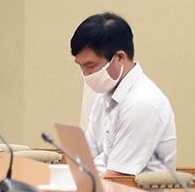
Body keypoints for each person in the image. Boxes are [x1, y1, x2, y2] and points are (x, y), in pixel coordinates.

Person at [71, 12, 176, 176]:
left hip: (131, 191)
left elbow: (118, 177)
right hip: (103, 185)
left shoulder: (142, 103)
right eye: (80, 66)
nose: (86, 74)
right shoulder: (104, 97)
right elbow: (86, 158)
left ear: (120, 58)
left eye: (91, 65)